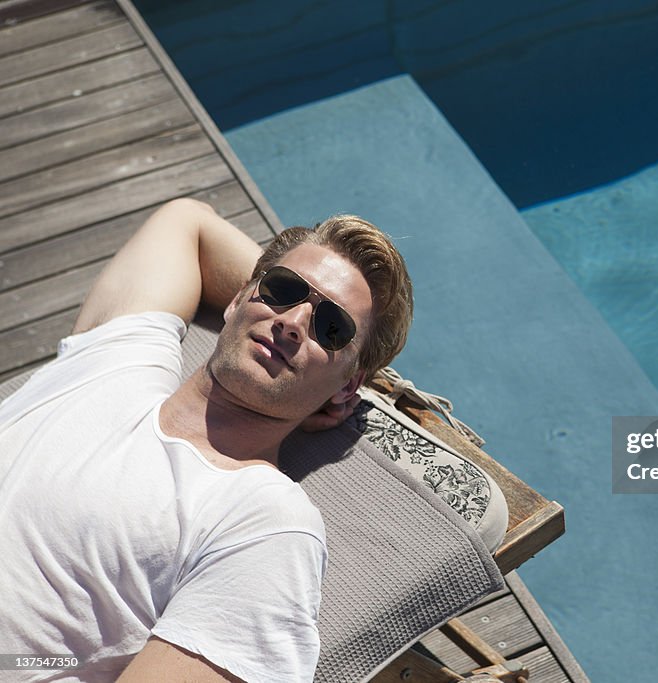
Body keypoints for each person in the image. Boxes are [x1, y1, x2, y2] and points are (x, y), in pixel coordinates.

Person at [0, 198, 414, 682]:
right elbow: (188, 222)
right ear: (238, 298)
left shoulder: (263, 523)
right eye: (283, 289)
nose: (292, 322)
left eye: (332, 327)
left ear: (348, 387)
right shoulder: (123, 354)